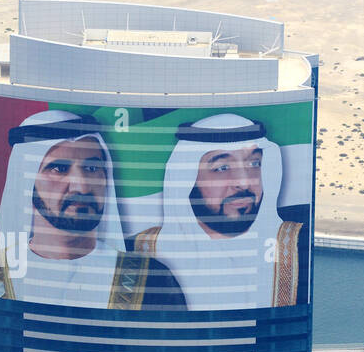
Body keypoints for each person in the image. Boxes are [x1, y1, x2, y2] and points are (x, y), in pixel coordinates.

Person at [0, 110, 184, 310]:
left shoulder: (152, 279)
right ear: (26, 181)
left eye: (92, 169)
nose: (81, 186)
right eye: (59, 169)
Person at [130, 113, 308, 309]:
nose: (243, 182)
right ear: (187, 180)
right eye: (222, 168)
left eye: (254, 164)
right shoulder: (140, 253)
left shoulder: (299, 247)